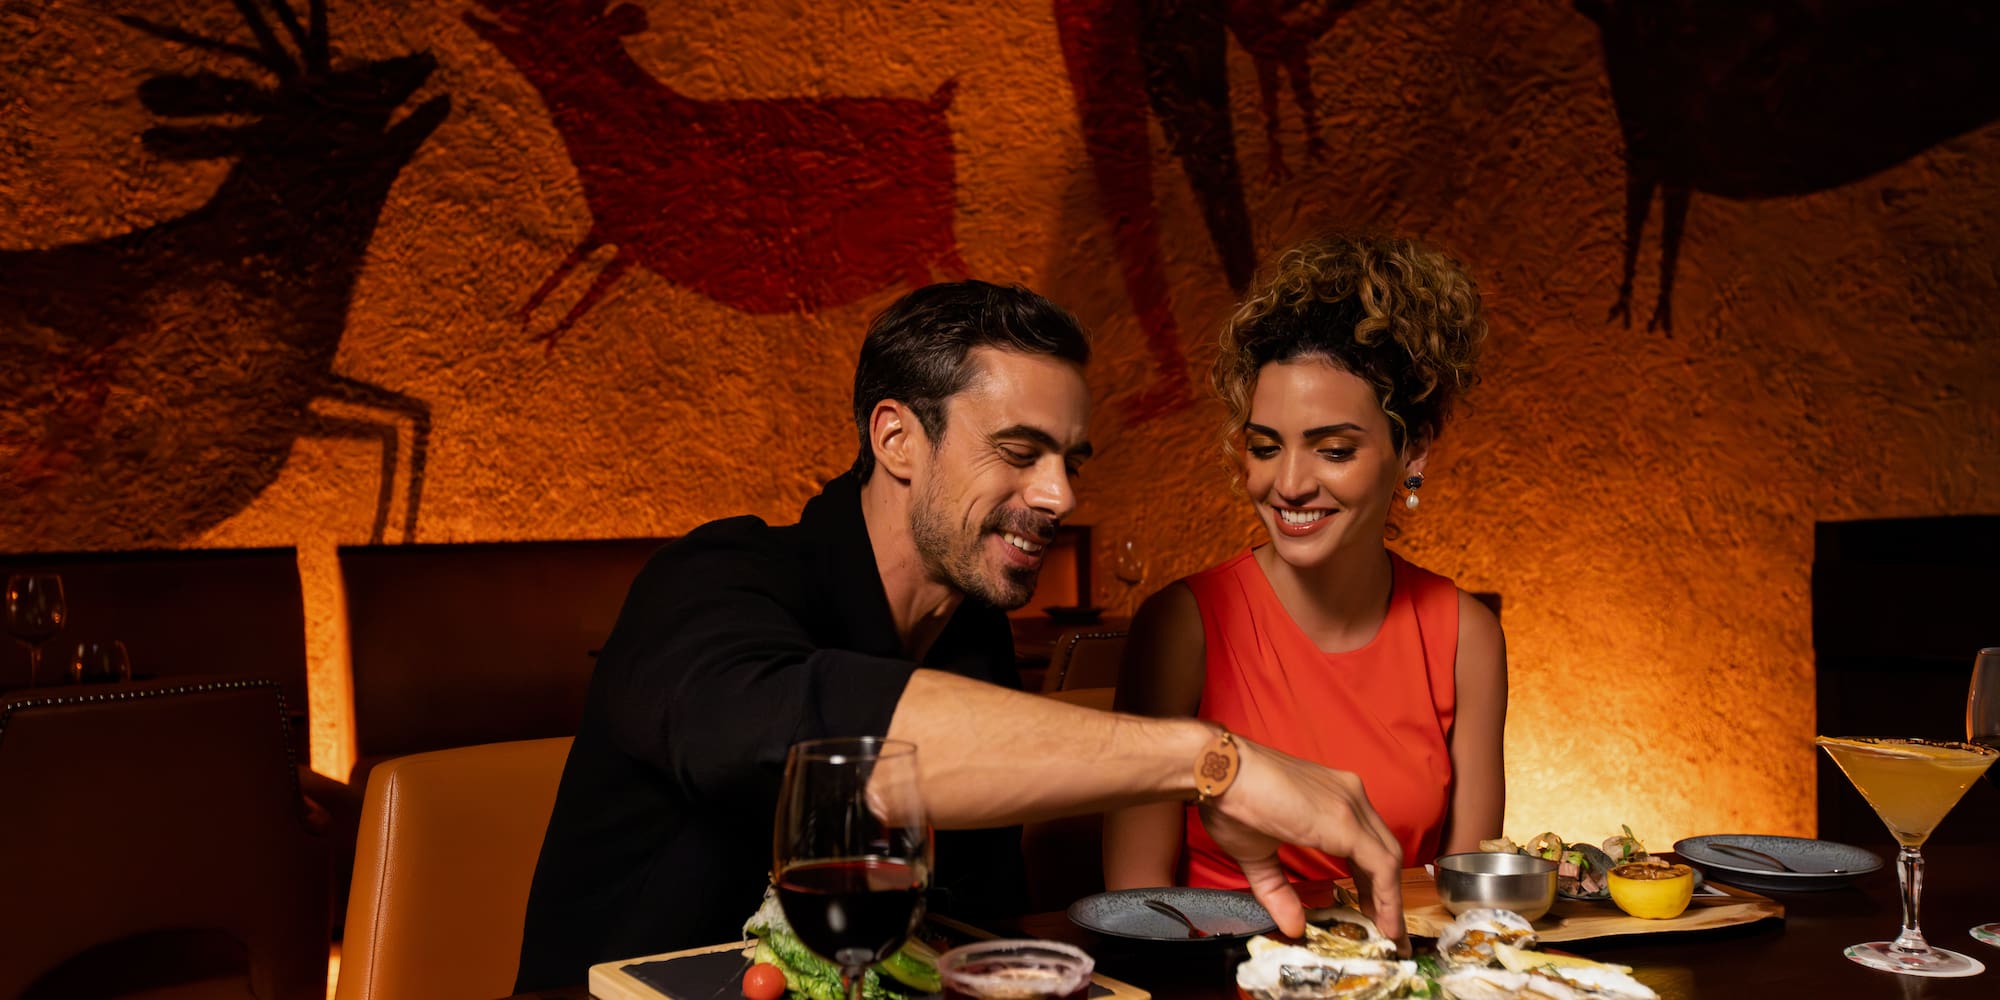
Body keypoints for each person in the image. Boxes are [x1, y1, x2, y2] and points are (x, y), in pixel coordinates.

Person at [516, 280, 1407, 991]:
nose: (1060, 496)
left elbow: (972, 929)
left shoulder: (973, 630)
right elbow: (816, 736)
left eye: (1069, 461)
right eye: (1021, 453)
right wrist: (1217, 759)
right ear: (899, 439)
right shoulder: (710, 584)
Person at [1102, 234, 1507, 893]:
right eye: (1266, 447)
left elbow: (1468, 906)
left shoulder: (1467, 638)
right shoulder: (1183, 627)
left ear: (1414, 449)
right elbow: (1135, 903)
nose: (1288, 483)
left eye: (1334, 450)